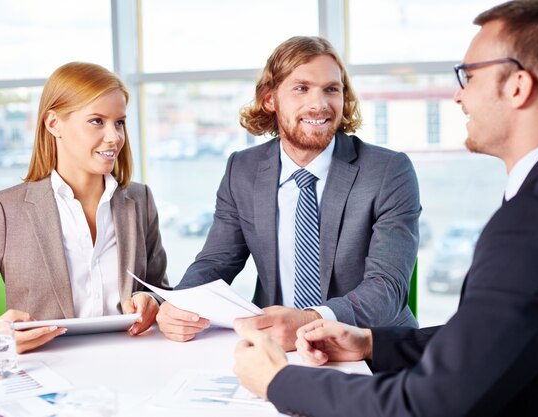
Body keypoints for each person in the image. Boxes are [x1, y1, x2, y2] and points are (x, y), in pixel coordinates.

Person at [232, 1, 538, 415]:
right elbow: (494, 336)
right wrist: (371, 342)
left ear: (518, 87)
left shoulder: (537, 221)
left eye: (469, 76)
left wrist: (279, 381)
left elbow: (425, 403)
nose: (458, 95)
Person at [156, 36, 420, 350]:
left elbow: (386, 289)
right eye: (301, 88)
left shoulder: (388, 171)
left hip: (369, 347)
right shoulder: (243, 169)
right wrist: (182, 304)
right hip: (275, 345)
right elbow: (216, 262)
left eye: (331, 89)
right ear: (270, 99)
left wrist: (310, 320)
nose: (319, 104)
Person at [0, 62, 168, 353]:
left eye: (119, 122)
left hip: (131, 365)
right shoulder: (6, 211)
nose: (114, 137)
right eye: (97, 121)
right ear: (53, 123)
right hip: (48, 376)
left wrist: (153, 302)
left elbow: (160, 289)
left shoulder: (140, 201)